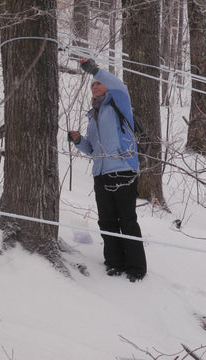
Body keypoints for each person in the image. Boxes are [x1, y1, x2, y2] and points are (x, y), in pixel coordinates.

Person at [68, 58, 147, 282]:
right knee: (107, 221)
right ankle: (114, 262)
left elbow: (120, 85)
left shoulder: (119, 101)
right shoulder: (93, 117)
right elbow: (92, 150)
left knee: (127, 220)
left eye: (98, 83)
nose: (95, 86)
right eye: (92, 85)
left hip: (123, 170)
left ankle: (136, 268)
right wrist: (78, 141)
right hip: (101, 173)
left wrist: (95, 70)